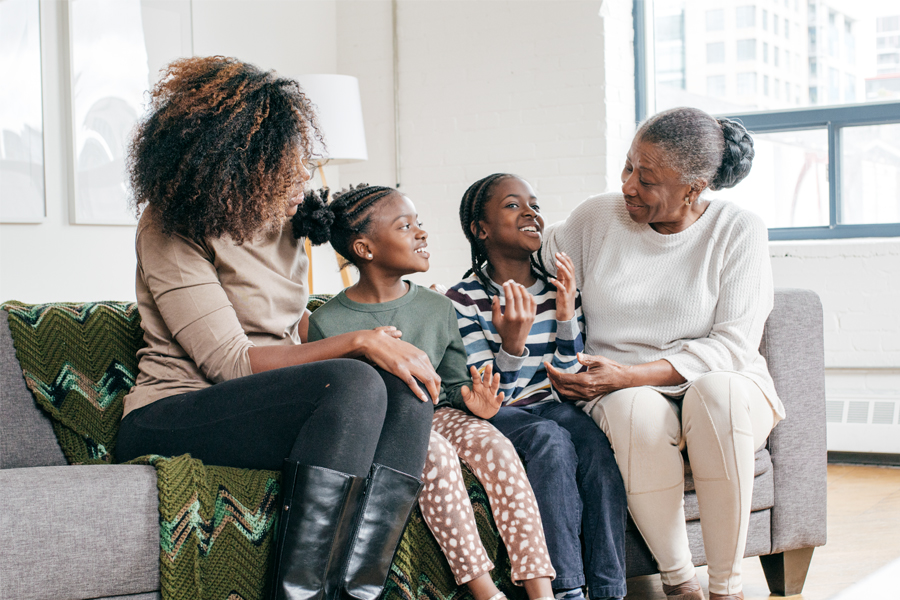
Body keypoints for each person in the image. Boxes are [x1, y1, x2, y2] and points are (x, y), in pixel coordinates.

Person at [117, 56, 437, 600]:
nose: (302, 183)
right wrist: (357, 344)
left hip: (269, 402)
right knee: (354, 381)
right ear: (238, 165)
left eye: (301, 165)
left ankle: (358, 591)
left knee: (407, 389)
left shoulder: (287, 216)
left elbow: (293, 325)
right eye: (285, 170)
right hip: (174, 411)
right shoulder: (171, 223)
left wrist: (382, 341)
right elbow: (231, 363)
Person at [540, 107, 784, 600]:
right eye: (628, 166)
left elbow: (733, 345)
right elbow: (530, 252)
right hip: (619, 390)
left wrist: (627, 374)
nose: (629, 185)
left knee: (718, 397)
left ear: (694, 188)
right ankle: (679, 583)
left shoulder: (738, 231)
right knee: (635, 411)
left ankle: (725, 588)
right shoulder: (597, 217)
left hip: (722, 381)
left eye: (646, 179)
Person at [299, 184, 557, 600]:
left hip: (438, 411)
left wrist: (471, 400)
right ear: (365, 249)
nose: (422, 233)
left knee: (496, 447)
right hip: (388, 425)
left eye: (419, 223)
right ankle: (486, 592)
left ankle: (541, 591)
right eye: (406, 226)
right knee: (434, 454)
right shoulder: (328, 323)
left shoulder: (438, 308)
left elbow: (453, 384)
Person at [446, 174, 628, 600]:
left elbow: (565, 378)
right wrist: (511, 344)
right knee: (549, 441)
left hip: (549, 402)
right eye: (512, 205)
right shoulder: (462, 299)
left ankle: (609, 589)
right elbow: (489, 396)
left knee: (597, 450)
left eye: (534, 203)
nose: (530, 212)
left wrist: (566, 315)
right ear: (481, 229)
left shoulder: (559, 289)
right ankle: (564, 588)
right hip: (502, 413)